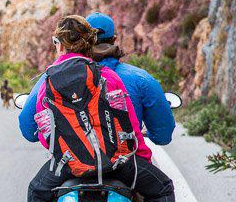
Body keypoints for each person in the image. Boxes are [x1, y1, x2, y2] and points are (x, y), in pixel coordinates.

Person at [15, 15, 175, 202]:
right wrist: (137, 157)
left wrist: (60, 150)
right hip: (115, 164)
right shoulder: (109, 76)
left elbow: (37, 129)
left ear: (59, 44)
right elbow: (129, 126)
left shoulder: (47, 80)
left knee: (37, 190)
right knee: (163, 188)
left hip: (70, 165)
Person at [19, 12, 175, 145]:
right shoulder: (139, 78)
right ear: (113, 40)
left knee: (37, 182)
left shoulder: (53, 77)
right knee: (164, 182)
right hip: (125, 164)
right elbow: (163, 135)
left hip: (72, 165)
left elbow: (29, 129)